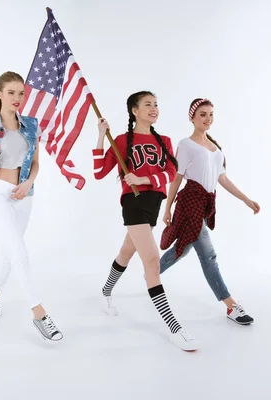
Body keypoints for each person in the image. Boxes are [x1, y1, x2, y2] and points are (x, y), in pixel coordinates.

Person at [92, 90, 198, 352]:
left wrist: (144, 179)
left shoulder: (164, 140)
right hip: (134, 204)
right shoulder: (121, 140)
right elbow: (98, 172)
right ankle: (175, 328)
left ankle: (105, 291)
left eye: (156, 105)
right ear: (134, 111)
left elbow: (172, 172)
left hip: (153, 204)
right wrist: (99, 135)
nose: (154, 108)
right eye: (147, 104)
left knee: (126, 252)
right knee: (151, 261)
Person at [0, 71, 62, 341]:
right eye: (11, 92)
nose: (17, 98)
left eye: (21, 93)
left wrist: (28, 184)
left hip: (24, 194)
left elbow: (35, 163)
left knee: (9, 254)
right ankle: (40, 314)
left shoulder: (32, 125)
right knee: (20, 253)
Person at [158, 98, 260, 325]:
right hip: (189, 202)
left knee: (182, 249)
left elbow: (222, 179)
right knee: (209, 255)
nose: (208, 119)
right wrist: (167, 207)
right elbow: (178, 177)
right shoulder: (186, 144)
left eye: (211, 114)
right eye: (203, 114)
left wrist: (246, 200)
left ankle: (151, 275)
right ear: (192, 117)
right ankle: (231, 306)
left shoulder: (215, 149)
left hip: (205, 204)